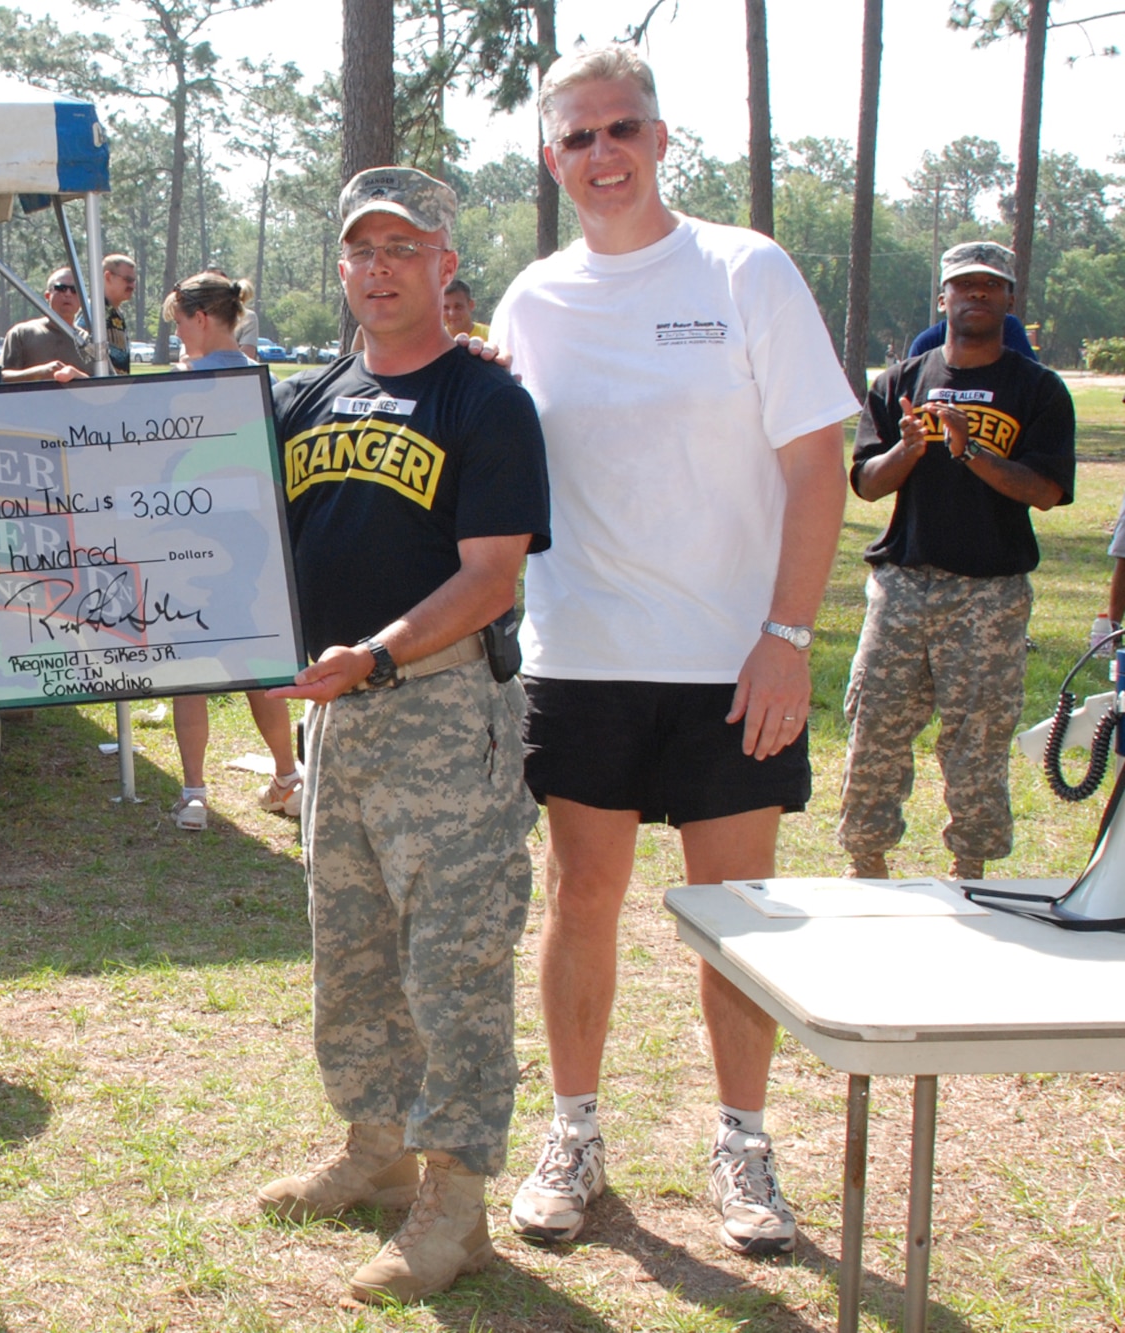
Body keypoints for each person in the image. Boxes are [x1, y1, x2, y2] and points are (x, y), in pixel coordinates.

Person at [490, 44, 856, 1256]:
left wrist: (785, 637)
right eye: (577, 137)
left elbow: (816, 467)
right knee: (579, 896)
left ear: (659, 141)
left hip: (729, 661)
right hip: (580, 653)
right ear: (551, 159)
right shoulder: (531, 298)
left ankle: (743, 1147)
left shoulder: (745, 270)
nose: (602, 155)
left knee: (729, 916)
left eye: (621, 130)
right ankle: (572, 1133)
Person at [255, 167, 550, 1304]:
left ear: (443, 266)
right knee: (351, 946)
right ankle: (372, 1145)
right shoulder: (310, 396)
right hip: (339, 717)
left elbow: (487, 578)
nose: (376, 268)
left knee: (453, 962)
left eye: (400, 248)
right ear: (341, 268)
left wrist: (376, 654)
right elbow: (238, 538)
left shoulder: (485, 402)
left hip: (440, 710)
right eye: (358, 250)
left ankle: (454, 1204)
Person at [840, 242, 1074, 881]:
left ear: (1009, 300)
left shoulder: (1040, 390)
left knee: (977, 736)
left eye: (989, 287)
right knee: (877, 724)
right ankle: (867, 861)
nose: (976, 295)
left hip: (990, 594)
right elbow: (865, 483)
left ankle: (970, 864)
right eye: (963, 286)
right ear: (941, 299)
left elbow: (1047, 492)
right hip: (904, 584)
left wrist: (971, 451)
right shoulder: (898, 383)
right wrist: (909, 450)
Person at [158, 271, 301, 829]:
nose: (178, 338)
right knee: (261, 663)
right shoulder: (266, 381)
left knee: (188, 671)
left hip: (187, 541)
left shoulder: (175, 384)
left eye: (178, 324)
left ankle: (194, 794)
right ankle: (288, 778)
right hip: (255, 542)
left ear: (199, 318)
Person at [0, 266, 96, 382]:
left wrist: (76, 375)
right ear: (47, 296)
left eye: (75, 290)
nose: (68, 294)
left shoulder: (90, 342)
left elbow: (106, 387)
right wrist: (40, 373)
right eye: (61, 288)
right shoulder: (22, 333)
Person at [907, 311, 1039, 364]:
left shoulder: (1009, 329)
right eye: (964, 284)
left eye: (991, 284)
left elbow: (1034, 388)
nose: (978, 293)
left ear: (1010, 299)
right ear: (942, 302)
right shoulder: (926, 344)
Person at [88, 253, 137, 373]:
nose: (133, 286)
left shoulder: (117, 314)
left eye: (134, 281)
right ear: (108, 277)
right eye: (128, 280)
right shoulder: (92, 311)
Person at [442, 276, 490, 342]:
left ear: (471, 305)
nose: (452, 313)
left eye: (458, 307)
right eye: (446, 308)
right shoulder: (433, 342)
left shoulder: (491, 336)